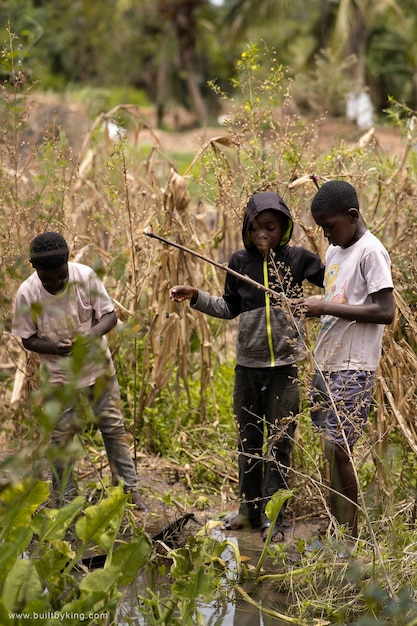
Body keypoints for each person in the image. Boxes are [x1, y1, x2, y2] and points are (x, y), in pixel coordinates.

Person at [169, 191, 325, 542]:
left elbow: (336, 285)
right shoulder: (239, 262)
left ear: (284, 226)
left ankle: (276, 517)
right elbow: (228, 307)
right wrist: (196, 296)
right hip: (248, 368)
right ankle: (249, 513)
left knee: (280, 442)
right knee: (249, 441)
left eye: (270, 227)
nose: (262, 235)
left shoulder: (299, 259)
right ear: (246, 230)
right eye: (255, 229)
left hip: (287, 367)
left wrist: (316, 304)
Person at [12, 231, 147, 511]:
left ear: (68, 263)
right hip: (59, 379)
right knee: (60, 439)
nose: (58, 283)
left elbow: (110, 316)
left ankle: (128, 490)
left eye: (61, 276)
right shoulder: (27, 293)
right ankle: (64, 498)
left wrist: (91, 336)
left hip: (98, 371)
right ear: (34, 268)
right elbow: (27, 338)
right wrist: (52, 347)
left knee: (113, 428)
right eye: (49, 280)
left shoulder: (85, 277)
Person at [297, 180, 394, 538]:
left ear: (352, 216)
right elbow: (340, 299)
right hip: (328, 361)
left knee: (339, 449)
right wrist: (315, 308)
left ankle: (349, 538)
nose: (325, 236)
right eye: (321, 228)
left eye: (330, 227)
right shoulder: (337, 251)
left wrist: (323, 305)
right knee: (328, 447)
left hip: (354, 366)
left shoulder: (371, 251)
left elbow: (386, 311)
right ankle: (337, 524)